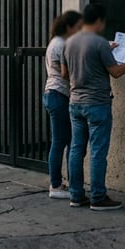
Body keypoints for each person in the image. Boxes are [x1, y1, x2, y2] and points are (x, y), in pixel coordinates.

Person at [63, 2, 125, 211]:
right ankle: (98, 197)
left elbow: (64, 74)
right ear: (99, 21)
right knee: (98, 151)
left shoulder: (70, 42)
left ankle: (76, 195)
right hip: (97, 104)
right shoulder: (98, 43)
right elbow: (116, 72)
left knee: (76, 150)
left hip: (75, 103)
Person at [43, 10, 83, 199]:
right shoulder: (61, 44)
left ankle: (60, 183)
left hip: (53, 94)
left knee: (63, 141)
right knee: (61, 141)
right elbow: (66, 74)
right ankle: (56, 185)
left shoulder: (55, 42)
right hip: (59, 95)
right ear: (69, 27)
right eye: (77, 27)